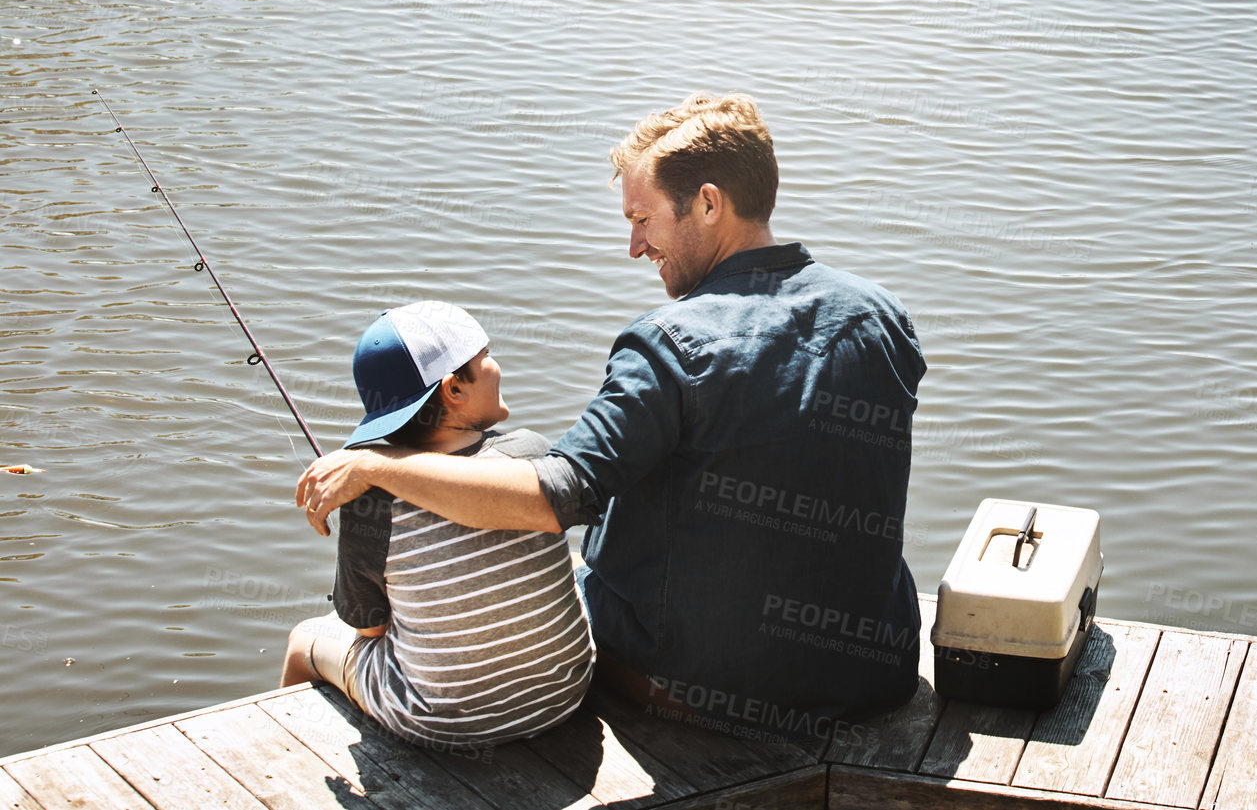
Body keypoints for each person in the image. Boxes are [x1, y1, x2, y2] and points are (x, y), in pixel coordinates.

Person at [297, 93, 925, 743]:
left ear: (709, 204)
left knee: (554, 583)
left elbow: (555, 495)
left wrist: (377, 463)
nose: (633, 246)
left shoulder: (670, 343)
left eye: (642, 218)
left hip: (700, 685)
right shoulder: (881, 315)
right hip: (873, 672)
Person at [281, 300, 594, 750]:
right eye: (486, 357)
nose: (496, 367)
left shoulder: (370, 499)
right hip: (564, 694)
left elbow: (369, 628)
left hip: (438, 722)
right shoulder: (531, 452)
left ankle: (292, 762)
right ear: (453, 390)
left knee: (302, 640)